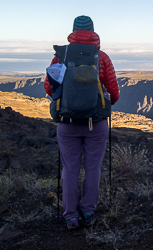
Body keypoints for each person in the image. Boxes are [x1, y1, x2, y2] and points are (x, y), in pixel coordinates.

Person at [44, 15, 119, 230]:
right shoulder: (102, 57)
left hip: (67, 123)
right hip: (95, 123)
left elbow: (49, 88)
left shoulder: (60, 57)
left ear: (73, 31)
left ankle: (71, 216)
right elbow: (114, 92)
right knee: (93, 167)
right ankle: (88, 212)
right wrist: (104, 103)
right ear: (94, 32)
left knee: (70, 169)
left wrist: (68, 101)